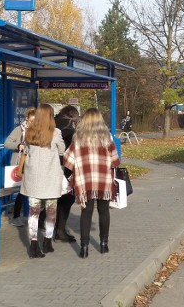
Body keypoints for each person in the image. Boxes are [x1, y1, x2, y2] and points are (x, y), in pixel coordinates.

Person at [63, 108, 120, 258]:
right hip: (103, 181)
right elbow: (115, 161)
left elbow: (67, 160)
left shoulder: (78, 138)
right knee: (104, 211)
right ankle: (104, 244)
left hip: (85, 181)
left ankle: (84, 247)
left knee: (86, 213)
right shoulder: (107, 138)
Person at [21, 104, 66, 258]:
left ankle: (33, 245)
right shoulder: (56, 133)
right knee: (51, 211)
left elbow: (26, 150)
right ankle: (47, 241)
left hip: (33, 178)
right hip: (50, 178)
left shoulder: (29, 132)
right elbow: (61, 151)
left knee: (33, 213)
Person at [3, 107, 36, 227]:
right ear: (27, 118)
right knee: (22, 192)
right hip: (20, 164)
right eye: (31, 121)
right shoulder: (19, 130)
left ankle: (29, 215)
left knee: (29, 191)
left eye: (35, 121)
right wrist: (18, 145)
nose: (33, 123)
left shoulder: (38, 131)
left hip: (32, 164)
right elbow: (7, 143)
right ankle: (16, 216)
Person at [52, 105, 80, 243]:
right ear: (71, 115)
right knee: (66, 199)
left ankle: (48, 228)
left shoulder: (53, 121)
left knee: (51, 198)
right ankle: (60, 230)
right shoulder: (68, 127)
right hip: (65, 167)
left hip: (51, 167)